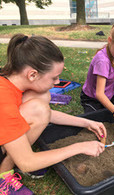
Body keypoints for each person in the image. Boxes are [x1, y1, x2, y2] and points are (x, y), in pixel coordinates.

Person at [0, 34, 106, 194]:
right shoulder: (3, 99)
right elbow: (27, 162)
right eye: (54, 78)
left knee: (41, 98)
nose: (57, 82)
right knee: (40, 104)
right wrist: (79, 147)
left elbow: (45, 114)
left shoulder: (11, 82)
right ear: (32, 74)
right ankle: (3, 175)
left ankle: (12, 158)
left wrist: (87, 123)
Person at [80, 22, 114, 129]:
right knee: (96, 123)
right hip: (92, 99)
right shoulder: (103, 61)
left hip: (109, 95)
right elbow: (99, 94)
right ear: (110, 41)